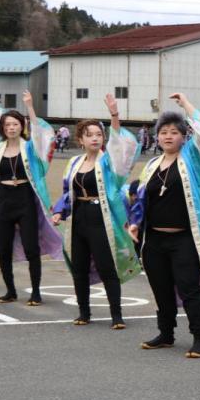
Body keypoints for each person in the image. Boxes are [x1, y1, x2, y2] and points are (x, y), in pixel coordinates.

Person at [127, 92, 200, 358]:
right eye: (163, 132)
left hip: (185, 238)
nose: (168, 136)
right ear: (156, 138)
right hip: (155, 239)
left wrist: (185, 105)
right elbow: (142, 201)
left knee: (189, 287)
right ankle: (166, 333)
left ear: (184, 137)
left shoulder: (193, 160)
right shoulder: (151, 165)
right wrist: (135, 224)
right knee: (160, 287)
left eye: (174, 132)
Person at [50, 95, 140, 328]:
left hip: (102, 218)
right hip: (79, 218)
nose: (95, 138)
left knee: (106, 266)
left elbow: (120, 146)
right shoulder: (74, 163)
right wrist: (60, 211)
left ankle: (117, 316)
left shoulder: (108, 162)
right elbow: (67, 193)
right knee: (78, 267)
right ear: (80, 139)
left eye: (99, 134)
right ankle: (84, 313)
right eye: (89, 134)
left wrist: (114, 116)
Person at [0, 90, 61, 306]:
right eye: (7, 125)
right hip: (4, 199)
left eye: (15, 124)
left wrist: (30, 107)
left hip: (26, 198)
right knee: (3, 247)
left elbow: (41, 134)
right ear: (2, 128)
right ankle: (10, 290)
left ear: (22, 126)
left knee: (31, 247)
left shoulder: (30, 147)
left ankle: (36, 292)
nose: (11, 128)